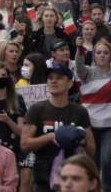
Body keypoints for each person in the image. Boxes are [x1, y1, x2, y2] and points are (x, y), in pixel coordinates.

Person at [22, 64, 95, 192]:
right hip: (43, 178)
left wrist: (81, 141)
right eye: (50, 78)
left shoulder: (80, 112)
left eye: (59, 77)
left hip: (72, 177)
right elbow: (24, 144)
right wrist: (50, 137)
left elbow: (92, 150)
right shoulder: (37, 109)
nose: (53, 81)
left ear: (70, 83)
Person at [75, 40, 111, 192]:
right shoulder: (88, 73)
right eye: (98, 53)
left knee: (107, 160)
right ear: (94, 56)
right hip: (90, 125)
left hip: (110, 126)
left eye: (106, 53)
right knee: (92, 161)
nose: (102, 55)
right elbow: (79, 67)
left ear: (110, 56)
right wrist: (79, 50)